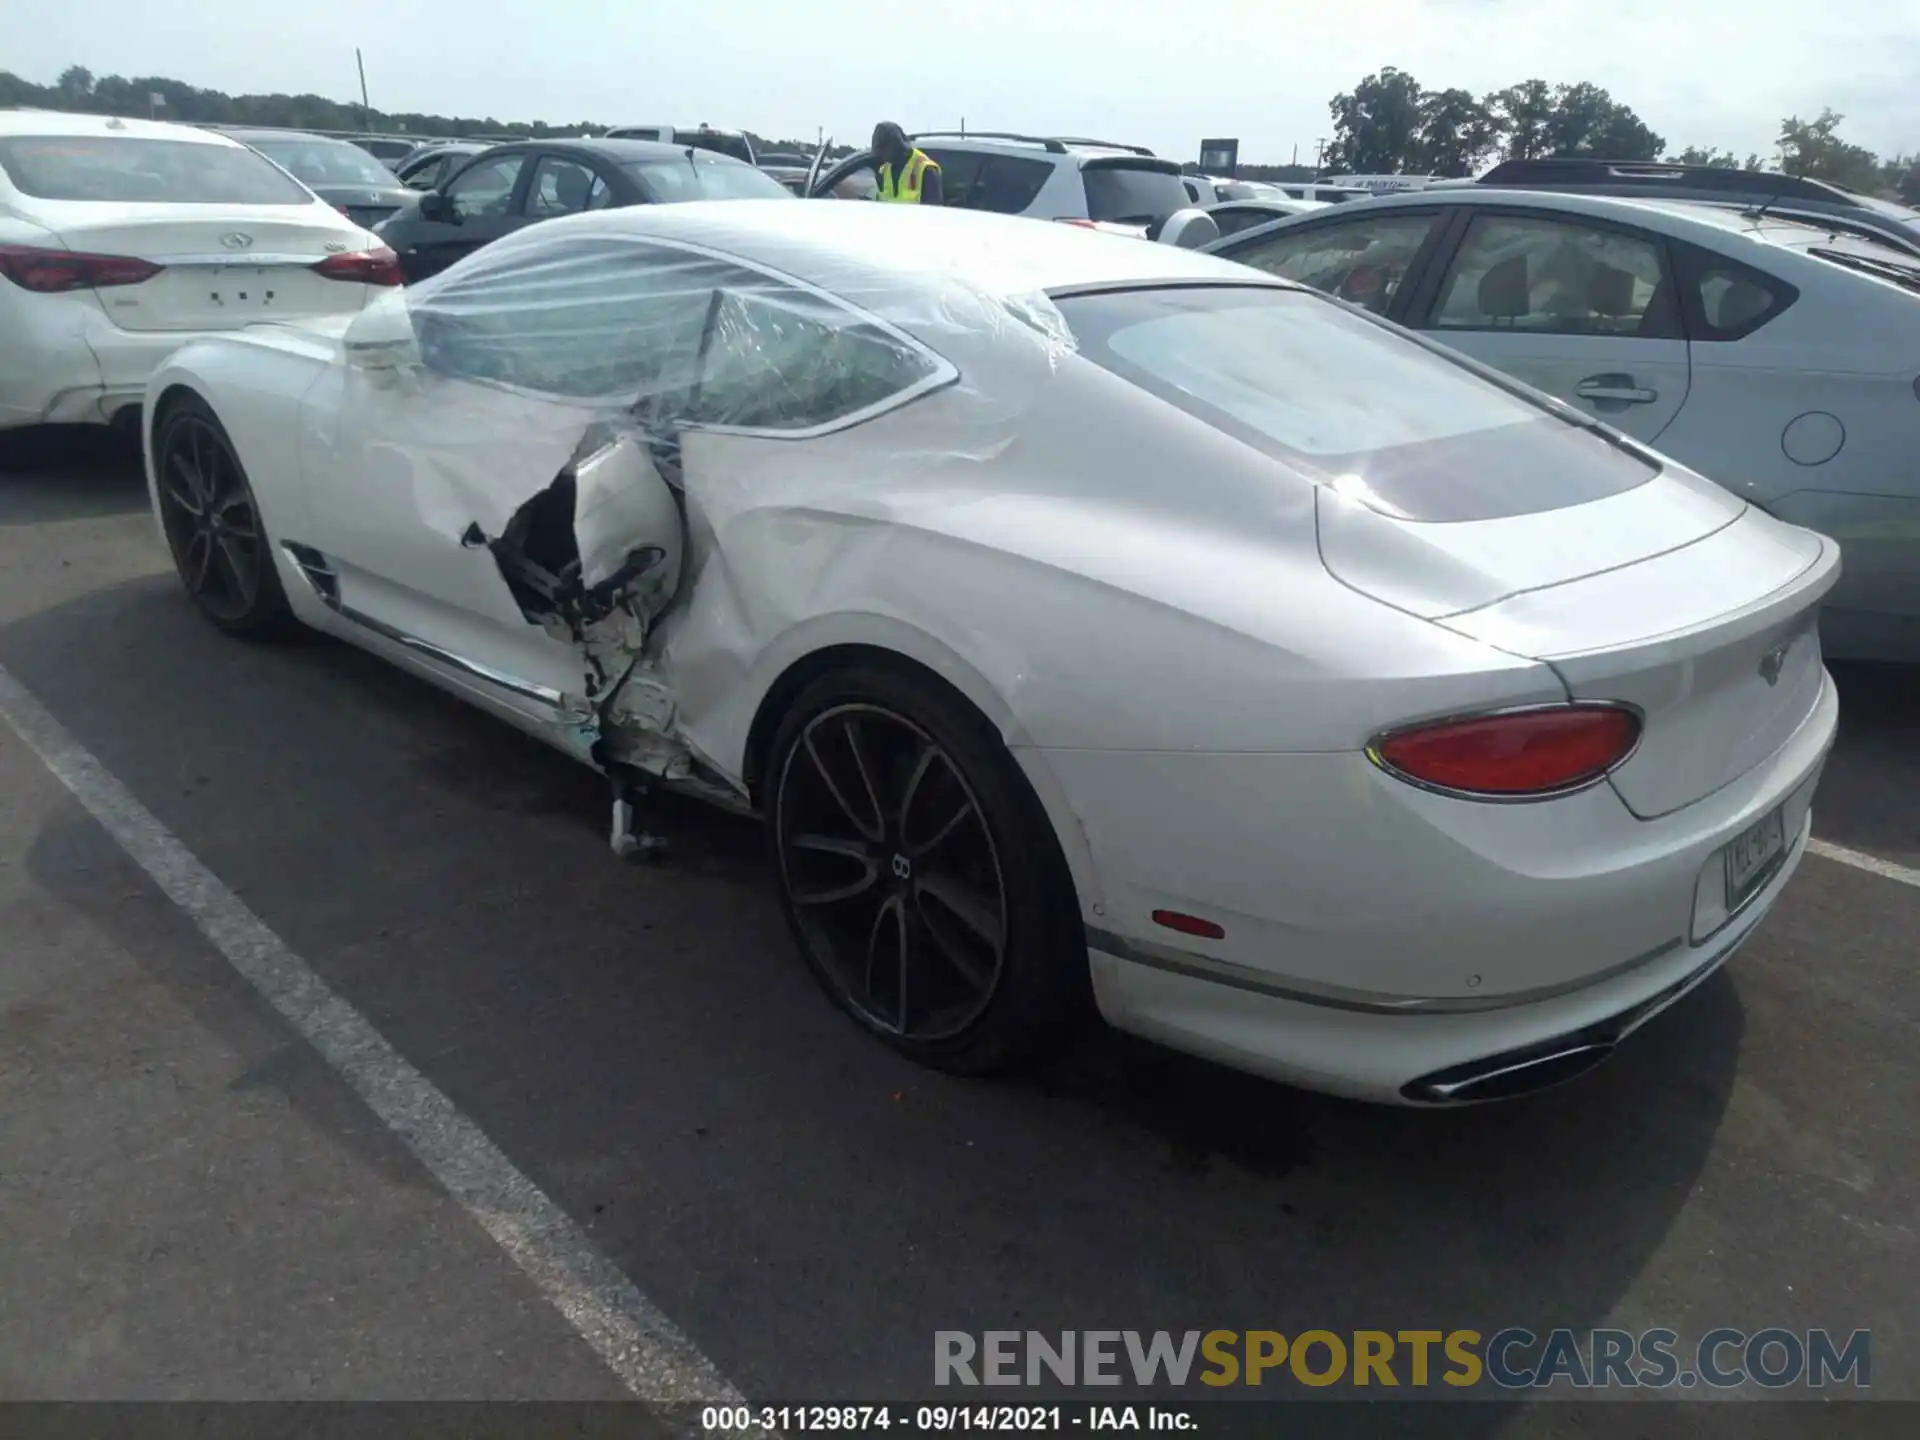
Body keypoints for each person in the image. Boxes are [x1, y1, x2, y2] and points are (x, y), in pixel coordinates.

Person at [870, 123, 943, 205]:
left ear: (895, 145)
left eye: (883, 150)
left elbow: (934, 212)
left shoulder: (926, 170)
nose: (881, 156)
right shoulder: (884, 171)